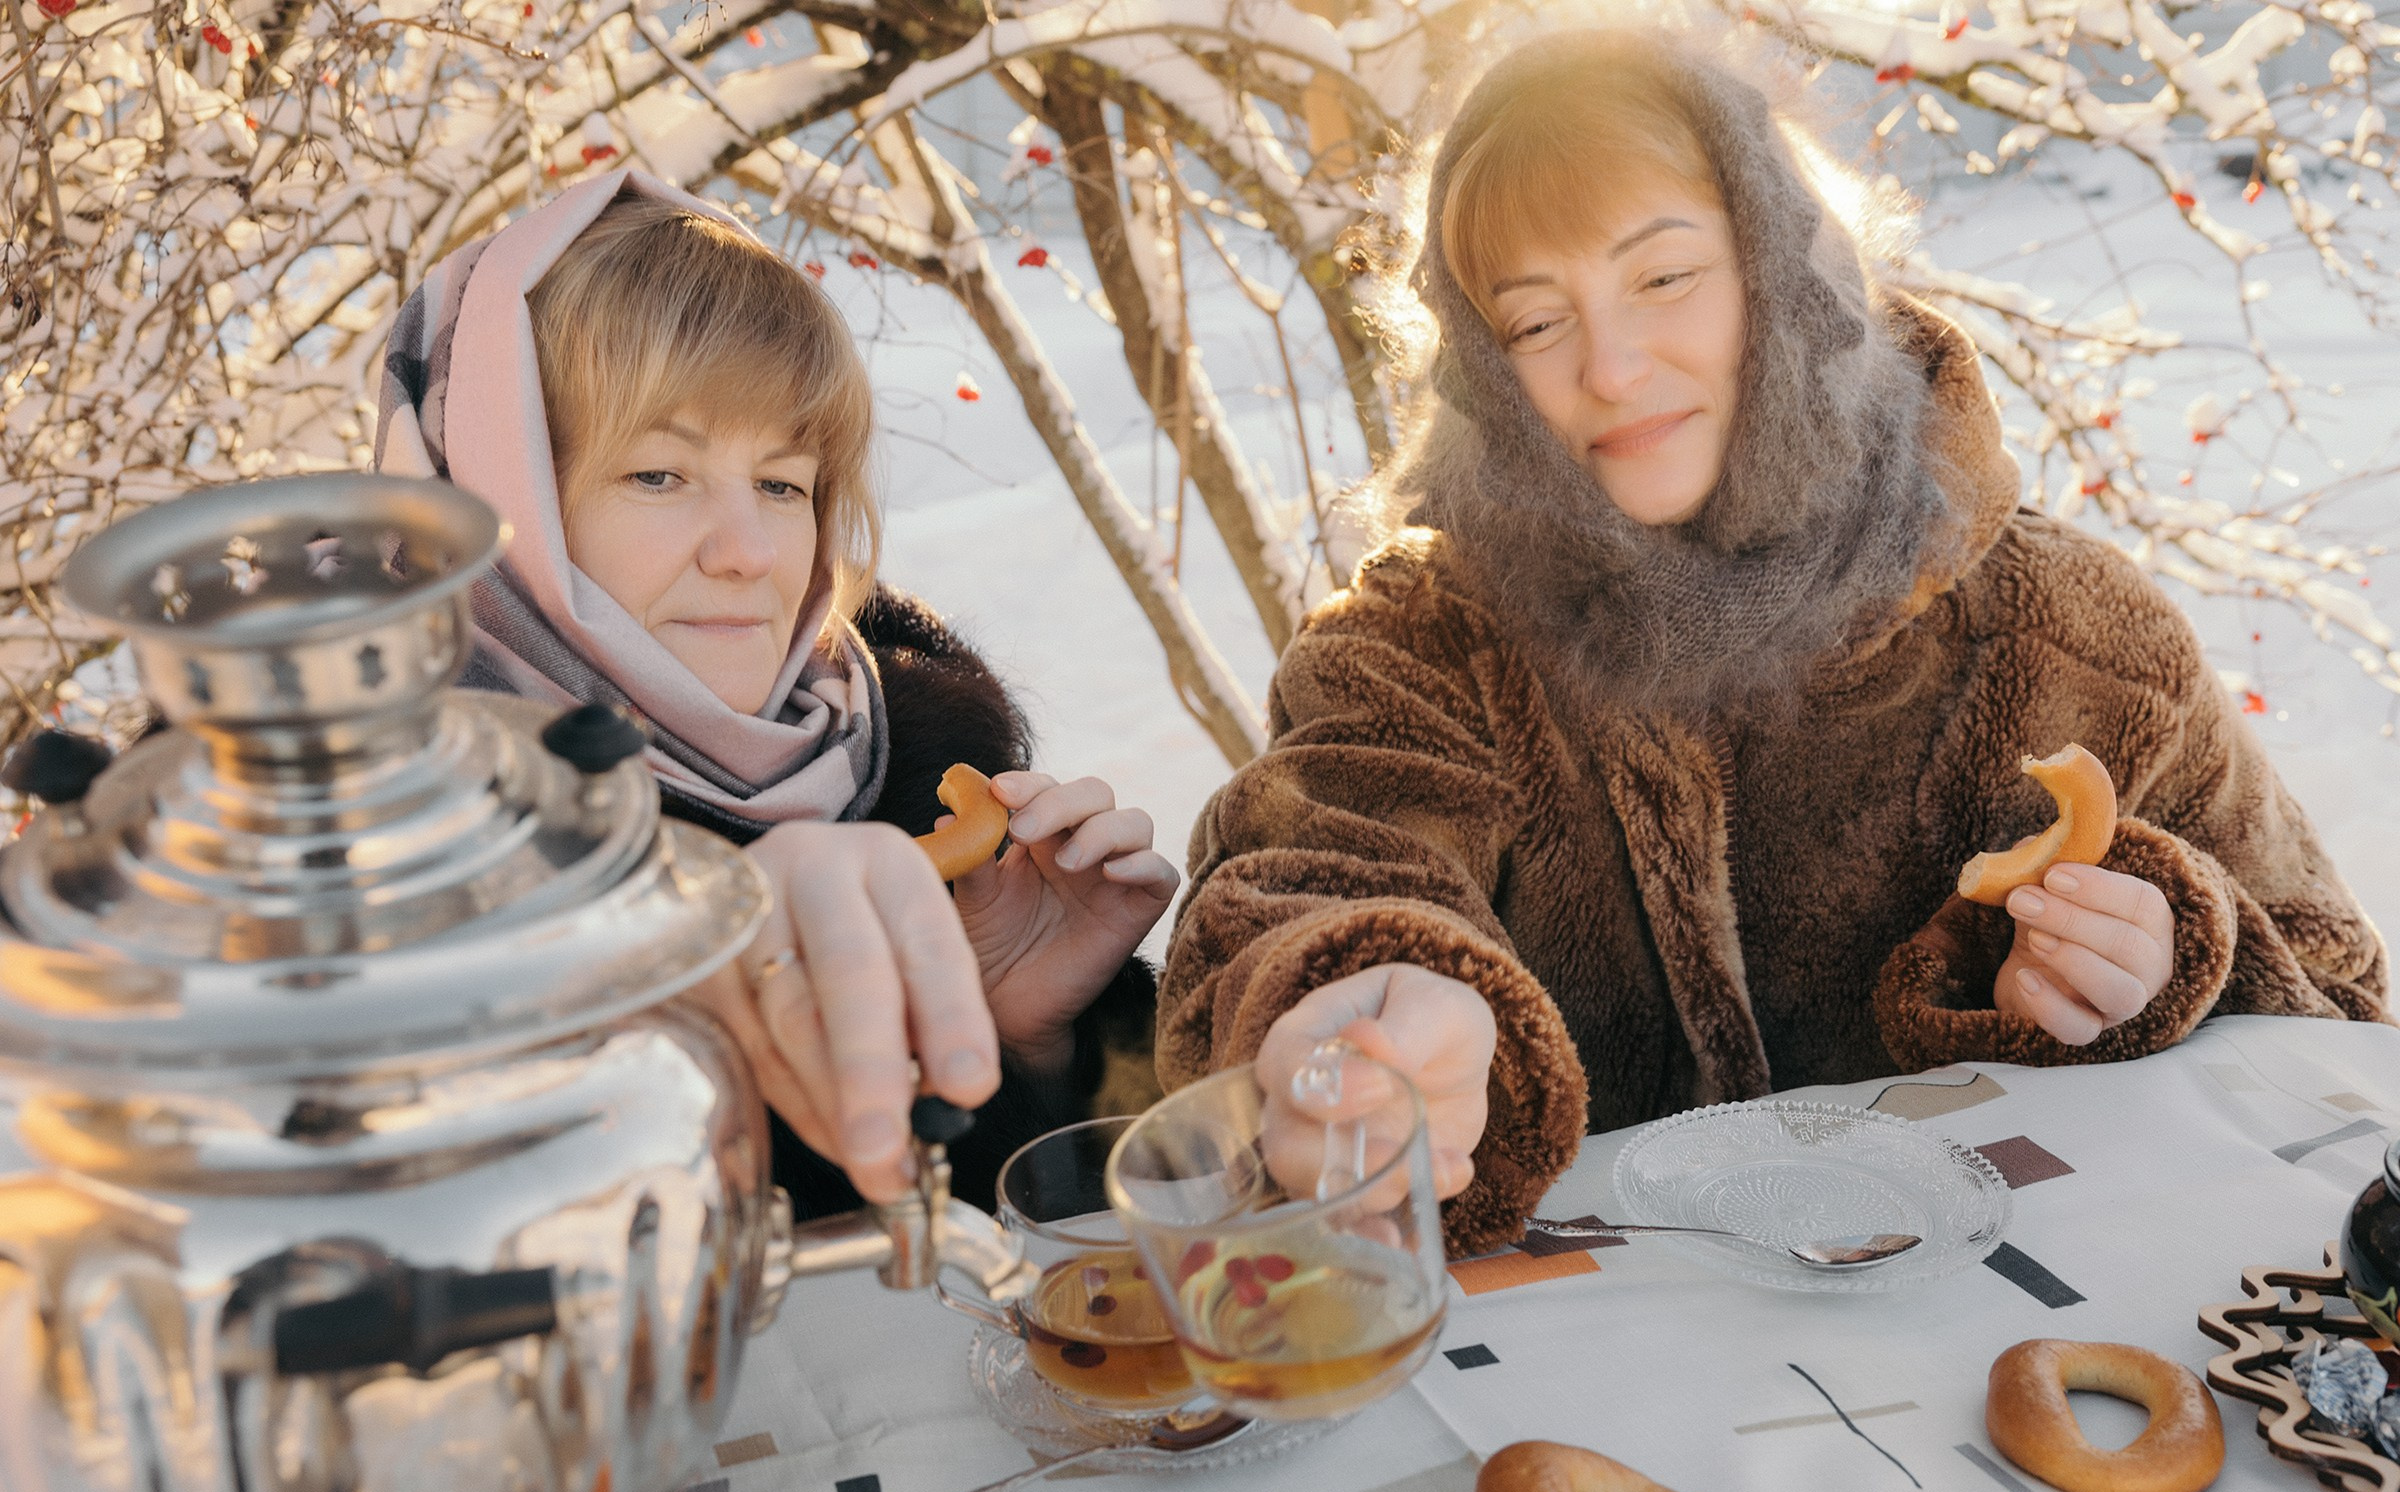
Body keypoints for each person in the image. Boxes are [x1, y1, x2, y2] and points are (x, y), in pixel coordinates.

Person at [1159, 30, 2389, 1256]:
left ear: (1786, 269)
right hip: (1588, 1387)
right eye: (1535, 324)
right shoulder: (1420, 644)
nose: (1612, 365)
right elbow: (1304, 874)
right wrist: (1361, 1001)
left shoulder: (2071, 630)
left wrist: (2172, 953)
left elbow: (2342, 1013)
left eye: (1663, 277)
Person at [375, 172, 1175, 1215]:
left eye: (783, 484)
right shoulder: (330, 862)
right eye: (659, 475)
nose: (750, 553)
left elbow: (1091, 1307)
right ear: (489, 492)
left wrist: (1027, 1048)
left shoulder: (907, 769)